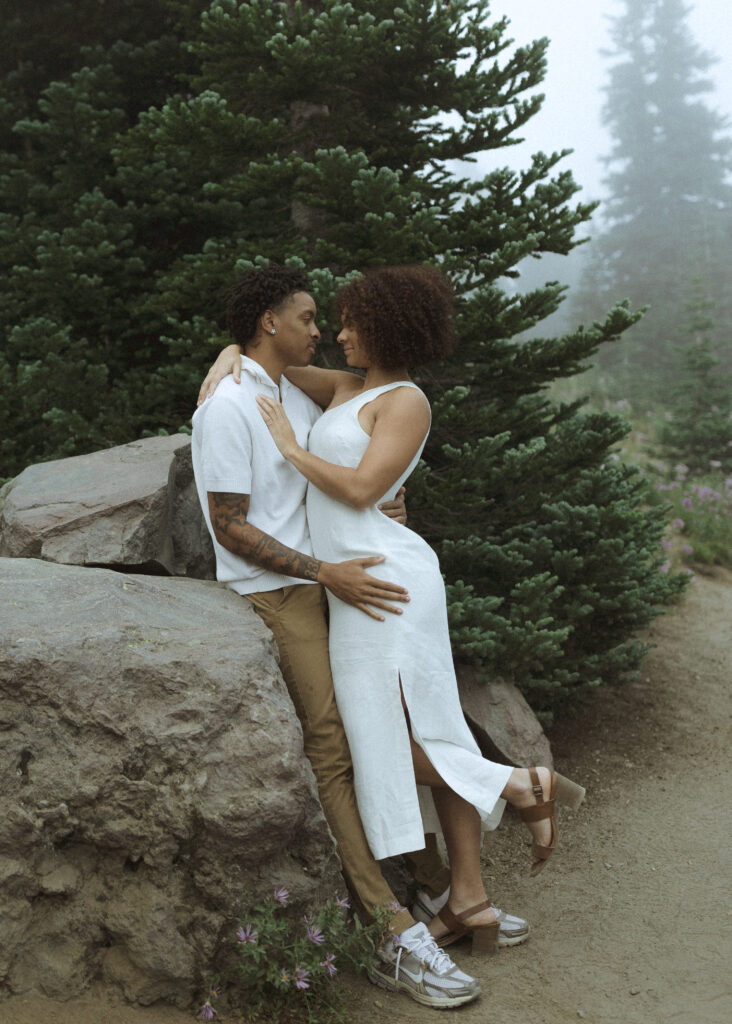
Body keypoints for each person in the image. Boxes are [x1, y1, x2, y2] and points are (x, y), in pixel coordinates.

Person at [249, 264, 585, 956]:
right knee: (427, 731)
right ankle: (469, 897)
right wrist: (230, 352)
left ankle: (522, 785)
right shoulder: (349, 388)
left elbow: (365, 484)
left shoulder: (406, 401)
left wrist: (289, 447)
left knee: (382, 741)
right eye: (333, 320)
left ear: (387, 326)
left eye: (350, 322)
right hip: (359, 580)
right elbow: (272, 366)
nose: (338, 334)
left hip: (387, 585)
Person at [191, 265, 483, 1010]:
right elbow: (228, 525)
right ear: (268, 323)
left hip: (335, 582)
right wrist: (326, 571)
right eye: (309, 316)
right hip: (283, 593)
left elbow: (348, 462)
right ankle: (389, 928)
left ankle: (437, 889)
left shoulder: (287, 386)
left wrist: (381, 507)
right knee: (331, 744)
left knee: (384, 725)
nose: (322, 329)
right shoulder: (228, 408)